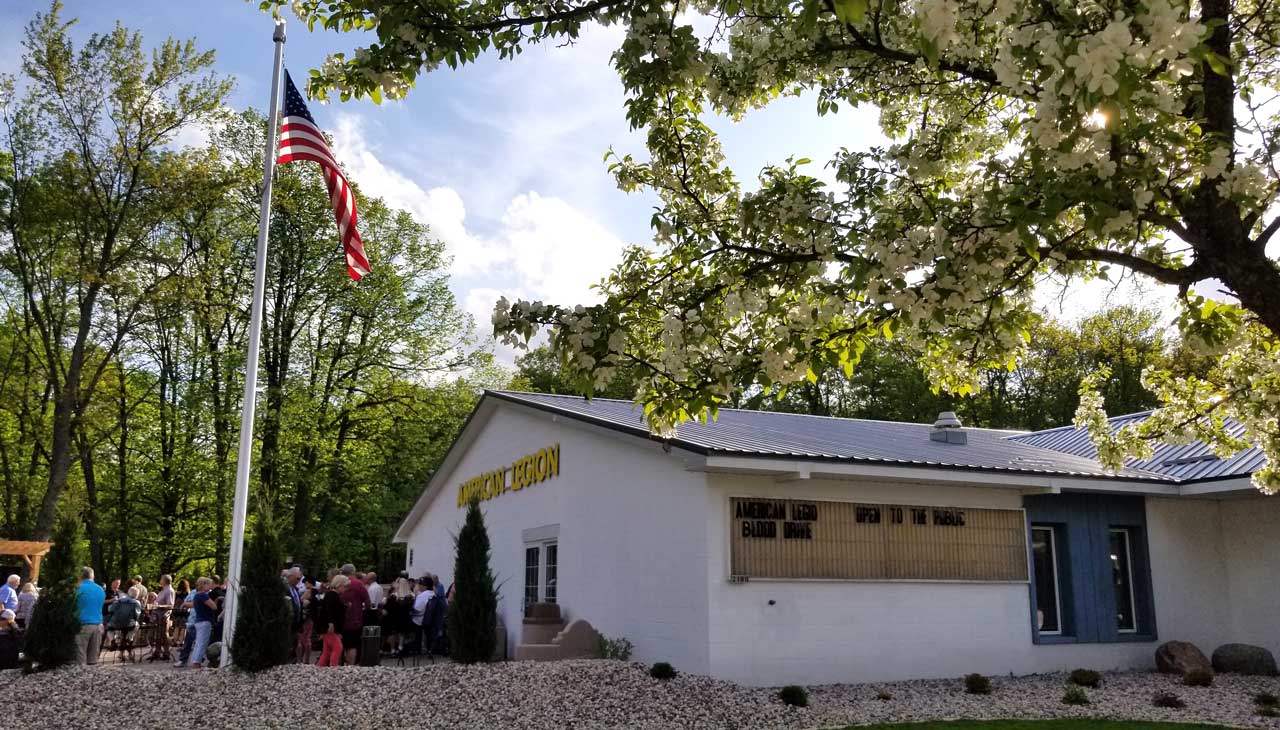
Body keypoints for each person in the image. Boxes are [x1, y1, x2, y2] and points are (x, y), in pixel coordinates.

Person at [179, 577, 216, 669]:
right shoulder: (203, 595)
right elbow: (214, 606)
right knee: (202, 643)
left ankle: (195, 661)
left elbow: (192, 605)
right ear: (203, 585)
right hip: (205, 621)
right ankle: (196, 662)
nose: (210, 586)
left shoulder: (196, 595)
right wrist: (218, 599)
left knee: (198, 643)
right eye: (208, 584)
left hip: (198, 621)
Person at [315, 574, 347, 667]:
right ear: (339, 585)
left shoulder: (332, 595)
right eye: (345, 586)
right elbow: (329, 610)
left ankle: (320, 667)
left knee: (327, 650)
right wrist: (331, 623)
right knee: (338, 647)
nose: (346, 589)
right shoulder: (332, 595)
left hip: (329, 626)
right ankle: (333, 667)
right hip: (329, 627)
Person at [75, 567, 106, 665]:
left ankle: (81, 677)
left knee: (80, 654)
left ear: (80, 576)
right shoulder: (100, 589)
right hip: (97, 624)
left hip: (82, 623)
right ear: (93, 576)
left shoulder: (78, 588)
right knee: (93, 658)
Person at [339, 572, 367, 665]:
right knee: (352, 645)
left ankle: (338, 665)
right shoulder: (358, 584)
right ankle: (350, 666)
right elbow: (366, 599)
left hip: (340, 619)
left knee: (339, 644)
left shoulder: (337, 581)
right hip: (354, 619)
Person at [407, 576, 435, 655]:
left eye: (420, 585)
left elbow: (417, 609)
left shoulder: (422, 596)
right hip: (429, 621)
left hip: (419, 620)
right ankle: (427, 648)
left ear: (425, 586)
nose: (418, 586)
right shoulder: (433, 594)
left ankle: (409, 647)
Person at [148, 574, 174, 660]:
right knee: (158, 634)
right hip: (158, 615)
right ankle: (157, 652)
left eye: (161, 579)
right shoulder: (163, 590)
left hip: (163, 616)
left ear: (164, 581)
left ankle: (166, 653)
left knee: (164, 634)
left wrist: (158, 606)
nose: (160, 581)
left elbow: (170, 605)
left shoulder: (169, 590)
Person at [295, 578, 315, 664]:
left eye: (305, 583)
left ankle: (299, 659)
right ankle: (307, 660)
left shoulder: (308, 591)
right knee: (308, 638)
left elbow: (300, 601)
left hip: (304, 618)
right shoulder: (316, 592)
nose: (304, 585)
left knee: (300, 639)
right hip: (311, 618)